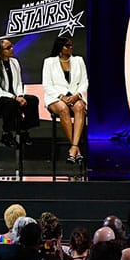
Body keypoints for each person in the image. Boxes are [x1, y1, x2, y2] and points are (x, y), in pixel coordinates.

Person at [0, 38, 40, 148]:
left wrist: (20, 96)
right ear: (1, 50)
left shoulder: (15, 62)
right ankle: (6, 134)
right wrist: (14, 98)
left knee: (32, 100)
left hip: (12, 97)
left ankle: (23, 130)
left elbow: (18, 83)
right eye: (8, 48)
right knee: (10, 103)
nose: (12, 49)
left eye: (12, 46)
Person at [42, 36, 88, 164]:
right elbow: (47, 85)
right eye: (67, 46)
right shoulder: (49, 62)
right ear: (60, 48)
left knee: (80, 107)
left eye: (71, 45)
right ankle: (76, 148)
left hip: (74, 95)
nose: (70, 48)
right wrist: (61, 96)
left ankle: (73, 148)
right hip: (55, 97)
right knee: (63, 108)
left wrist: (77, 95)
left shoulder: (78, 60)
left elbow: (84, 82)